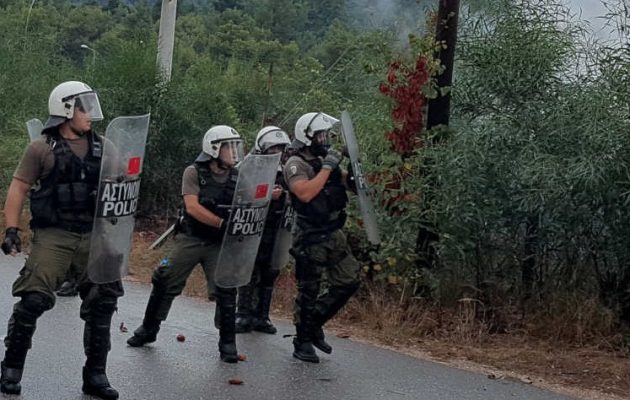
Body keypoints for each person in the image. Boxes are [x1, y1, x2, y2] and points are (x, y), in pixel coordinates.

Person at [0, 81, 121, 399]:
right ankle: (11, 369)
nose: (90, 115)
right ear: (66, 109)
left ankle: (95, 375)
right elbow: (18, 188)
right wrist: (12, 229)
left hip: (93, 235)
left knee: (103, 302)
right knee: (33, 300)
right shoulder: (42, 148)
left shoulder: (105, 147)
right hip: (55, 235)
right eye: (84, 107)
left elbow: (122, 187)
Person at [126, 125, 244, 363]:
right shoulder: (194, 172)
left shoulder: (238, 176)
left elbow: (250, 203)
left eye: (235, 146)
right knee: (164, 276)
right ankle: (149, 329)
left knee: (227, 286)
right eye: (228, 146)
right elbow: (193, 207)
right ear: (214, 148)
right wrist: (222, 223)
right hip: (192, 237)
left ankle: (228, 341)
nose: (234, 152)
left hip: (219, 244)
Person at [283, 112, 360, 363]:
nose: (325, 138)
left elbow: (347, 185)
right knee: (309, 288)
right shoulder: (296, 163)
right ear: (307, 136)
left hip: (333, 231)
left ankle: (313, 322)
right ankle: (302, 340)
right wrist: (328, 165)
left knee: (349, 280)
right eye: (320, 134)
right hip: (309, 234)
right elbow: (304, 193)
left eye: (327, 134)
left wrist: (351, 167)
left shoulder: (322, 161)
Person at [235, 126, 291, 335]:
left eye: (280, 148)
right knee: (249, 269)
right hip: (252, 225)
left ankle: (262, 316)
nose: (277, 152)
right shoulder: (249, 167)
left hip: (275, 228)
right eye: (273, 147)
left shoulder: (284, 170)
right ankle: (243, 314)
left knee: (270, 270)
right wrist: (269, 195)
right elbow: (240, 194)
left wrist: (285, 195)